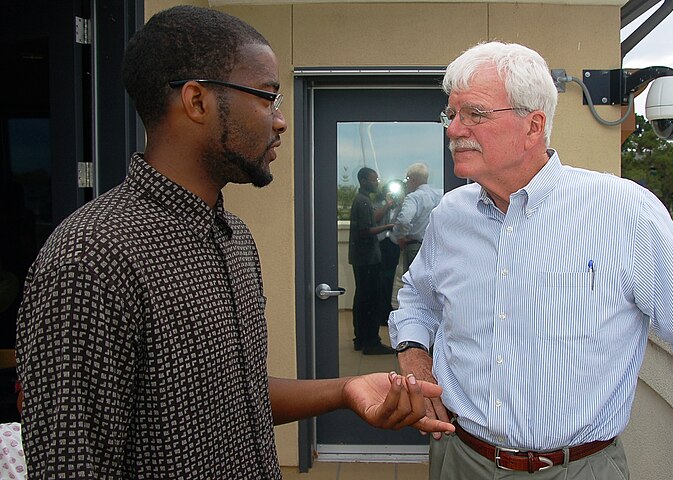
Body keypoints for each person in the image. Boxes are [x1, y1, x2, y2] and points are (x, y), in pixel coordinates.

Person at [15, 6, 453, 478]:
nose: (280, 121)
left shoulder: (234, 239)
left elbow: (234, 397)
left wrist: (346, 390)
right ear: (197, 101)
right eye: (267, 97)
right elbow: (71, 464)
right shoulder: (91, 258)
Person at [389, 41, 673, 479]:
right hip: (458, 459)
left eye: (474, 114)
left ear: (534, 126)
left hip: (579, 469)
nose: (454, 129)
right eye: (451, 115)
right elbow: (417, 295)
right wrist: (414, 352)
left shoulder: (624, 213)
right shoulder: (450, 216)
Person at [348, 167, 395, 354]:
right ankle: (371, 342)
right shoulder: (363, 202)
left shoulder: (362, 201)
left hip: (361, 258)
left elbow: (370, 221)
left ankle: (360, 339)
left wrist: (386, 207)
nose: (376, 182)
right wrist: (389, 226)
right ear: (363, 180)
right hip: (367, 259)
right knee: (370, 301)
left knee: (361, 300)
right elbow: (365, 231)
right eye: (373, 180)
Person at [389, 163, 443, 271]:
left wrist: (400, 236)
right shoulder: (440, 195)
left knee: (413, 282)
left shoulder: (413, 197)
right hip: (437, 247)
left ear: (412, 180)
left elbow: (404, 220)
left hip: (416, 246)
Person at [376, 181, 402, 325]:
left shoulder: (403, 204)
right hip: (379, 243)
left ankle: (387, 311)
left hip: (393, 243)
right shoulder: (379, 203)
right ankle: (380, 312)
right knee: (379, 278)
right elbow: (375, 219)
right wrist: (387, 204)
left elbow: (402, 222)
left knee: (389, 278)